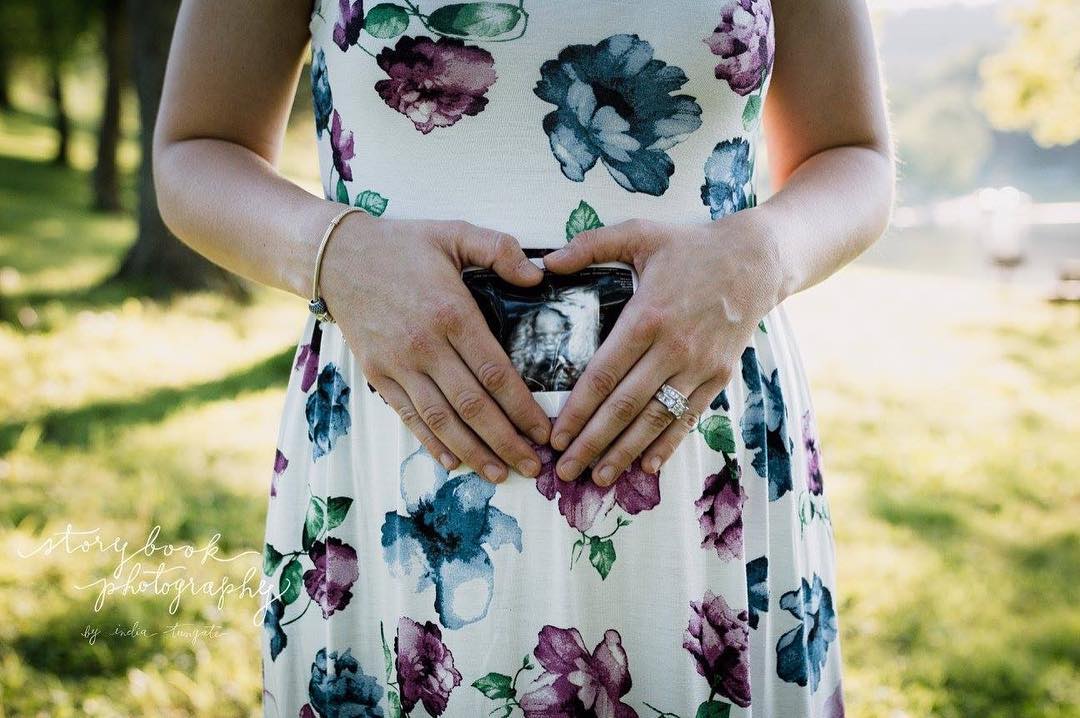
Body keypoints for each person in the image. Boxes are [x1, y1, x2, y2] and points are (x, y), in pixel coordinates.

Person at [154, 1, 894, 715]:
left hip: (699, 452)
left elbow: (853, 153)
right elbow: (196, 148)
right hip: (398, 456)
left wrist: (758, 258)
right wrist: (334, 252)